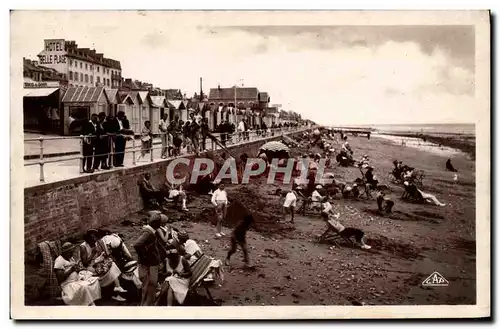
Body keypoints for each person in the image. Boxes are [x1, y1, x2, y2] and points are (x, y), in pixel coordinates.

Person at [79, 229, 127, 302]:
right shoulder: (83, 247)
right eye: (92, 239)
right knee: (111, 269)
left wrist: (101, 256)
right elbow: (84, 263)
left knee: (112, 265)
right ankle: (116, 290)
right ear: (88, 239)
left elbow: (100, 255)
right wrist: (93, 254)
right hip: (87, 267)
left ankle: (117, 288)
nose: (94, 241)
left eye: (95, 238)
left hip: (96, 263)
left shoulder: (95, 243)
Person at [134, 212, 162, 306]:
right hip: (149, 264)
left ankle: (148, 304)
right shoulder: (148, 233)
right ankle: (145, 306)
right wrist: (144, 256)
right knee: (149, 286)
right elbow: (137, 245)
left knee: (151, 286)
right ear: (154, 223)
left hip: (151, 263)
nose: (160, 224)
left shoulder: (151, 232)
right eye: (158, 222)